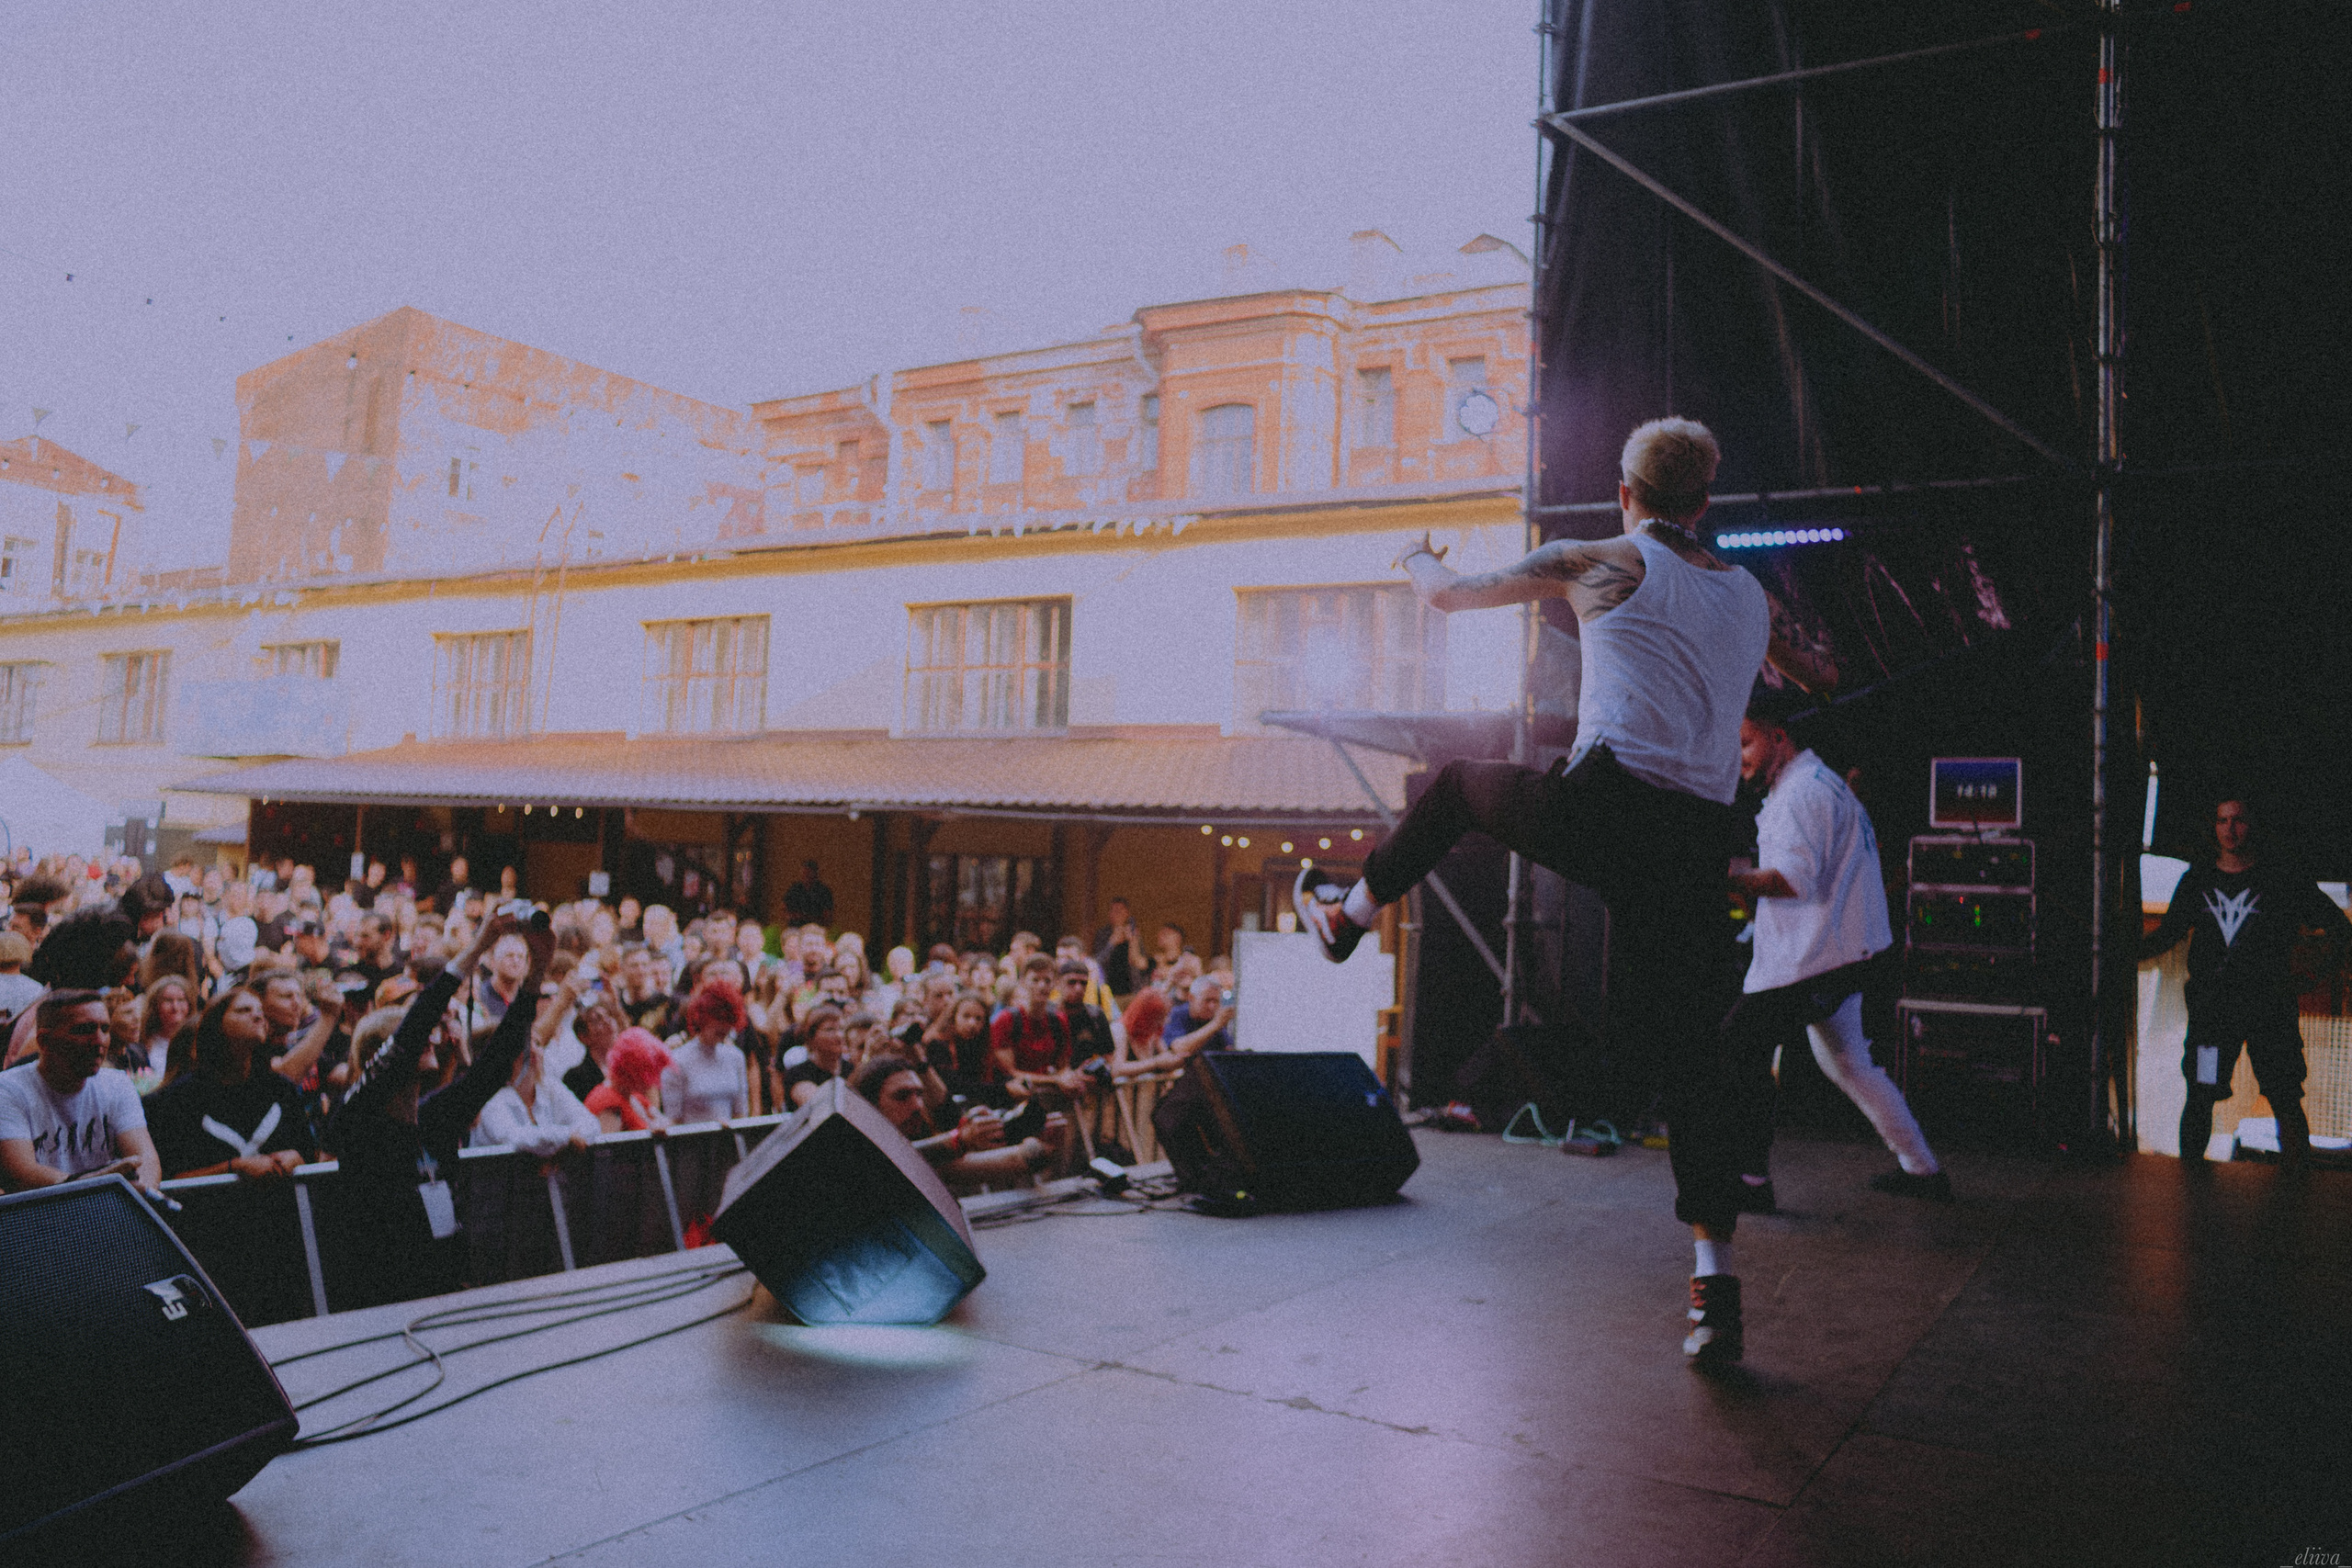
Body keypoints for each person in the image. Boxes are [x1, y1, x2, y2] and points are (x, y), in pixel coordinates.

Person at [1292, 417, 1834, 1370]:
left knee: (1458, 785)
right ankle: (1714, 1292)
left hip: (1607, 812)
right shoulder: (1749, 595)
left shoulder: (1601, 559)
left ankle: (1345, 919)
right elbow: (1813, 671)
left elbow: (1452, 598)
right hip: (1696, 844)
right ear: (1704, 503)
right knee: (1694, 1065)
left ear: (1625, 493)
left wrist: (1415, 553)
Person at [1724, 696, 1945, 1207]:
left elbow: (1790, 880)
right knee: (1849, 1064)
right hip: (1843, 953)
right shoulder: (1817, 783)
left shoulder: (1802, 793)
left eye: (1746, 743)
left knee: (1738, 1044)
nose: (1741, 758)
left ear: (1780, 737)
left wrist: (1726, 879)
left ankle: (1751, 1183)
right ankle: (1923, 1169)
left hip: (1819, 960)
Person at [327, 912, 550, 1306]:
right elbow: (414, 1029)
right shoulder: (358, 1116)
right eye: (418, 1037)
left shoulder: (432, 1119)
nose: (431, 1037)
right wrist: (477, 948)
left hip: (442, 1283)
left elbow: (496, 1064)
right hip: (379, 1291)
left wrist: (536, 975)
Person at [2143, 795, 2352, 1167]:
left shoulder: (2282, 878)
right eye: (2222, 820)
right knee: (2201, 1094)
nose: (2230, 829)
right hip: (2212, 1015)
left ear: (2253, 824)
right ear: (2214, 826)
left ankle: (2298, 1195)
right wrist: (2114, 954)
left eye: (2238, 820)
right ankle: (2189, 1185)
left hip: (2269, 1011)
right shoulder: (2198, 880)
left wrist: (2317, 974)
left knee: (2285, 1096)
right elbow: (2168, 934)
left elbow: (2338, 926)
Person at [143, 987, 321, 1181]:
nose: (257, 1017)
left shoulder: (280, 1089)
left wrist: (297, 1159)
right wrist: (233, 1168)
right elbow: (168, 1178)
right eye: (244, 1010)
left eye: (260, 1011)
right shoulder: (181, 1098)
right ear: (217, 1025)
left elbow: (309, 1155)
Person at [0, 989, 163, 1194]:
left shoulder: (117, 1084)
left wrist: (142, 1191)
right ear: (44, 1042)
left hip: (107, 1214)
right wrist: (101, 1184)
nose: (99, 1040)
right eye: (84, 1030)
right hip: (39, 1219)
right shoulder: (8, 1089)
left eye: (105, 1028)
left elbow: (146, 1160)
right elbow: (21, 1174)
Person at [852, 1054, 1068, 1193]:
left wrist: (1043, 1147)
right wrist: (959, 1140)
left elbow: (1008, 1162)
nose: (917, 1105)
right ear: (870, 1103)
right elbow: (892, 1160)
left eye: (919, 1094)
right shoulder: (856, 1151)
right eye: (902, 1096)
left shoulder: (923, 1146)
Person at [471, 1040, 600, 1158]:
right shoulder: (491, 1096)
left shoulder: (551, 1086)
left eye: (537, 1043)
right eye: (524, 1045)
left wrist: (561, 1152)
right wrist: (566, 1137)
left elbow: (591, 1124)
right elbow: (515, 1138)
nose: (533, 1050)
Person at [662, 980, 751, 1124]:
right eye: (719, 1020)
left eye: (728, 1022)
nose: (724, 1027)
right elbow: (673, 1119)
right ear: (702, 1018)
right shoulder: (678, 1060)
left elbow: (741, 1113)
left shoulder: (736, 1057)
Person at [585, 1029, 671, 1133]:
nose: (650, 1083)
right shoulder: (607, 1103)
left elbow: (666, 1123)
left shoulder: (635, 1098)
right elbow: (610, 1146)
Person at [782, 859, 835, 930]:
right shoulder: (795, 889)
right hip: (795, 929)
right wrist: (791, 916)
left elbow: (827, 915)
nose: (806, 875)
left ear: (815, 874)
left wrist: (806, 917)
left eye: (809, 873)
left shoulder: (823, 891)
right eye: (804, 873)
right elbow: (784, 908)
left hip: (816, 929)